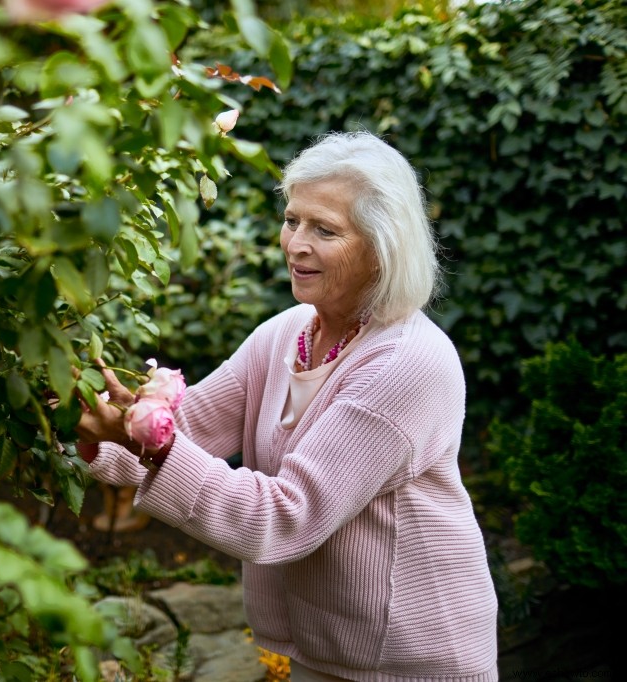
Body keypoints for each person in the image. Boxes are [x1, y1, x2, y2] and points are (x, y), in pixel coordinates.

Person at [76, 131, 498, 681]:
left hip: (409, 660)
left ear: (381, 247)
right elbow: (187, 430)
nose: (295, 242)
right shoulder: (288, 334)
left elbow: (281, 518)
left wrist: (151, 441)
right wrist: (71, 424)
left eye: (324, 229)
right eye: (292, 219)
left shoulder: (406, 363)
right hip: (322, 647)